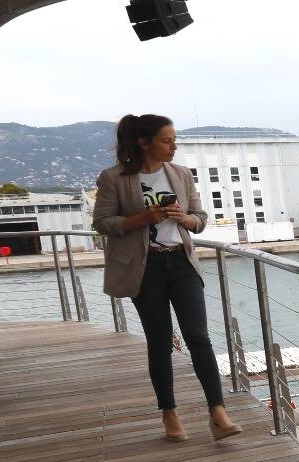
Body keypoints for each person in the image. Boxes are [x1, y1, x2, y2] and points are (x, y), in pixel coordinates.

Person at [92, 114, 240, 443]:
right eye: (167, 140)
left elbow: (200, 219)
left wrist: (184, 218)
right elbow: (102, 223)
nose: (174, 146)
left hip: (182, 263)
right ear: (145, 143)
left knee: (198, 337)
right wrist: (142, 218)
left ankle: (217, 412)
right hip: (145, 269)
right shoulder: (114, 178)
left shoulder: (181, 175)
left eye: (174, 140)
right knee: (159, 343)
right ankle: (169, 413)